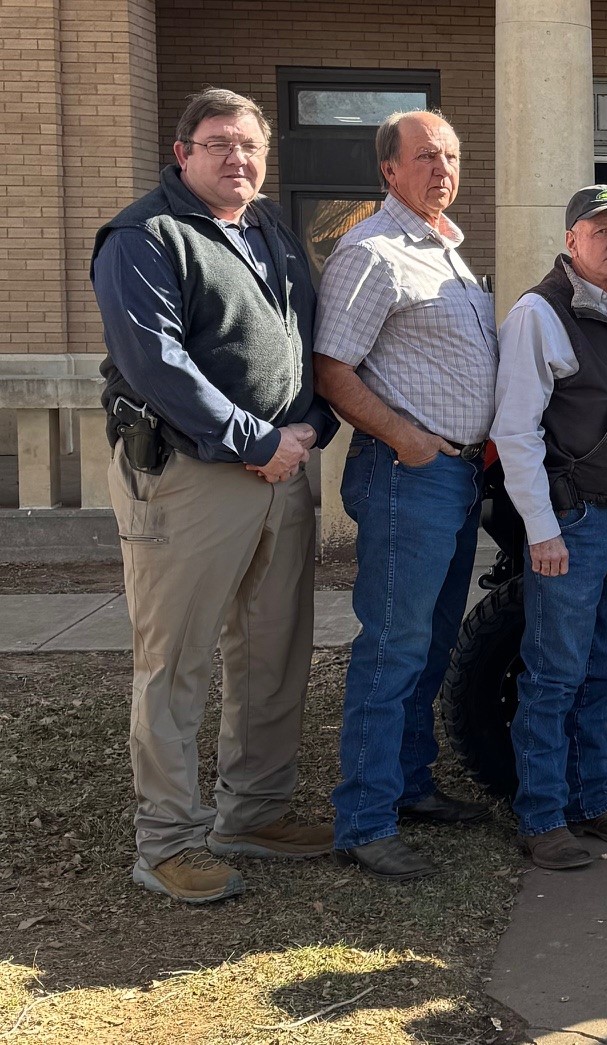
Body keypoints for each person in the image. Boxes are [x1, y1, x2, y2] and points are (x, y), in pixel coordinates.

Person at [90, 88, 339, 904]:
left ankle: (255, 811)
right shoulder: (144, 236)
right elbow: (159, 365)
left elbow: (304, 339)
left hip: (281, 473)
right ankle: (164, 842)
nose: (238, 157)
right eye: (219, 142)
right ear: (182, 150)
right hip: (192, 477)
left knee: (271, 652)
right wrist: (258, 441)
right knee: (177, 662)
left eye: (250, 145)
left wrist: (305, 429)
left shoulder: (269, 230)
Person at [314, 110, 499, 880]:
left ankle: (412, 786)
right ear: (388, 169)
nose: (442, 168)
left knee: (429, 645)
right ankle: (364, 817)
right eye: (425, 156)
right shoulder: (373, 252)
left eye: (451, 156)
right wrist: (405, 437)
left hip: (455, 475)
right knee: (392, 648)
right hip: (408, 473)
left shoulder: (446, 250)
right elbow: (333, 369)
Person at [489, 185, 607, 870]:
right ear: (571, 240)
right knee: (554, 676)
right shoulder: (540, 313)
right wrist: (542, 529)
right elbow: (515, 430)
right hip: (575, 520)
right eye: (600, 231)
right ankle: (542, 817)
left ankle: (595, 801)